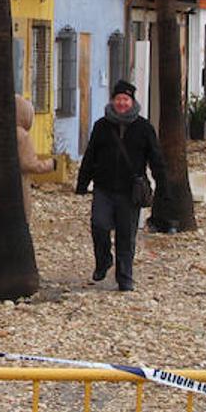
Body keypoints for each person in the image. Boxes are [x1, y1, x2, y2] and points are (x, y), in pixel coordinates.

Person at [75, 80, 166, 292]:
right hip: (104, 187)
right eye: (118, 99)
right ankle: (104, 260)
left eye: (125, 99)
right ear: (112, 101)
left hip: (130, 191)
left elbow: (156, 158)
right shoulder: (101, 126)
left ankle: (125, 277)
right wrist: (82, 183)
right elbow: (90, 156)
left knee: (126, 235)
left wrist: (164, 186)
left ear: (132, 101)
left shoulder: (144, 128)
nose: (122, 103)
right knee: (99, 225)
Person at [15, 95, 56, 225]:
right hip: (19, 183)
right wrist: (51, 164)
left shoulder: (2, 131)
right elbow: (30, 164)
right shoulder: (22, 135)